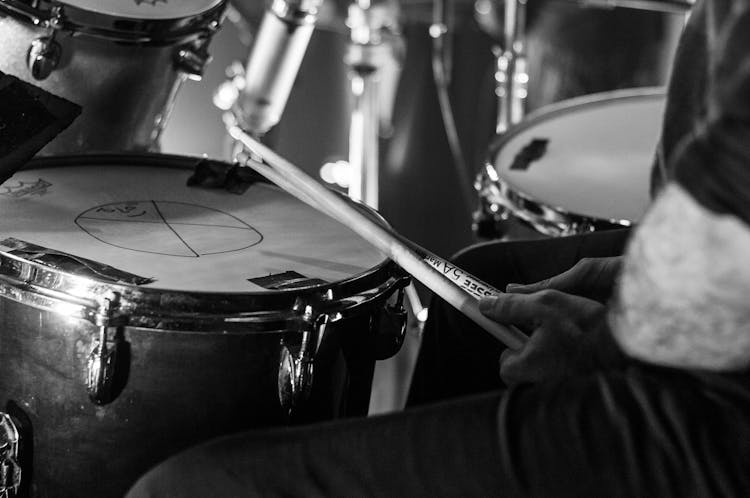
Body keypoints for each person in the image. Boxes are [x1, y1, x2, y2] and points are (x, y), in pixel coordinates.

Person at [126, 0, 750, 494]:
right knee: (484, 280)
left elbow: (703, 287)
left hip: (719, 418)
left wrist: (615, 342)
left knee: (184, 486)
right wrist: (634, 275)